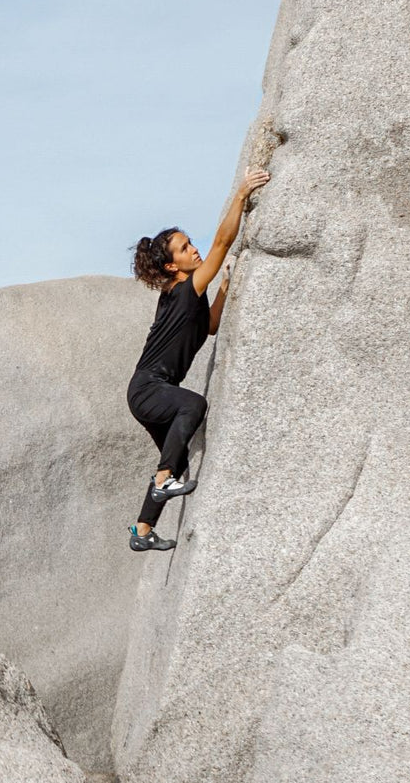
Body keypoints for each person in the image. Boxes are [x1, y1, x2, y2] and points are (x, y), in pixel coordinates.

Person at [124, 166, 270, 552]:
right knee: (194, 405)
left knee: (177, 462)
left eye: (191, 243)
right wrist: (241, 195)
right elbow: (222, 243)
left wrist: (225, 287)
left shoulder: (186, 294)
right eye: (186, 248)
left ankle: (142, 530)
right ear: (173, 266)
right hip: (150, 388)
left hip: (146, 392)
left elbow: (209, 327)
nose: (195, 249)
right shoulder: (185, 288)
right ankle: (162, 481)